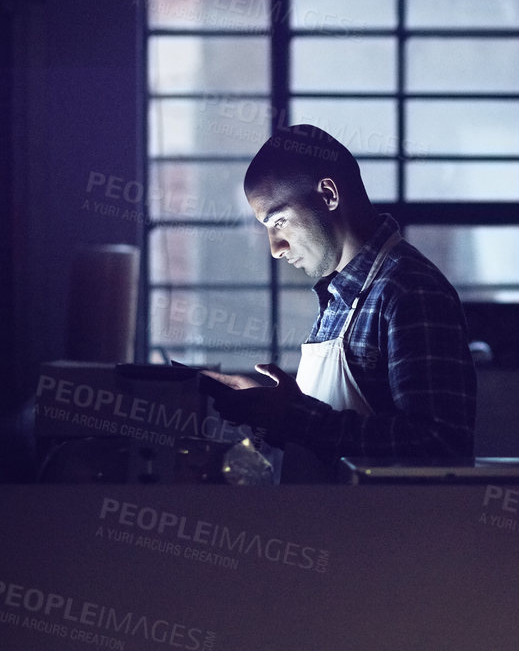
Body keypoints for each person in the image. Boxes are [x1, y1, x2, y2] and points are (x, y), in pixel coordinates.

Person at [200, 124, 477, 465]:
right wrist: (270, 408)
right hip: (334, 515)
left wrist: (296, 417)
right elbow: (328, 428)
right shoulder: (338, 298)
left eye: (279, 222)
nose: (275, 248)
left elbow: (439, 445)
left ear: (328, 195)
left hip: (390, 519)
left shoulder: (409, 291)